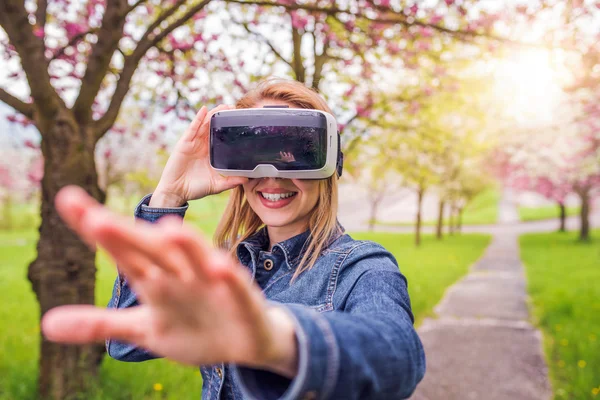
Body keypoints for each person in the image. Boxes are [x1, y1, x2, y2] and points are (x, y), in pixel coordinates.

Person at [42, 78, 426, 400]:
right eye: (256, 155)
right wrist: (168, 196)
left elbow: (400, 356)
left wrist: (277, 341)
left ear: (328, 165)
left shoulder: (362, 269)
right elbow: (127, 342)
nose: (273, 177)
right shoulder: (224, 266)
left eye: (293, 155)